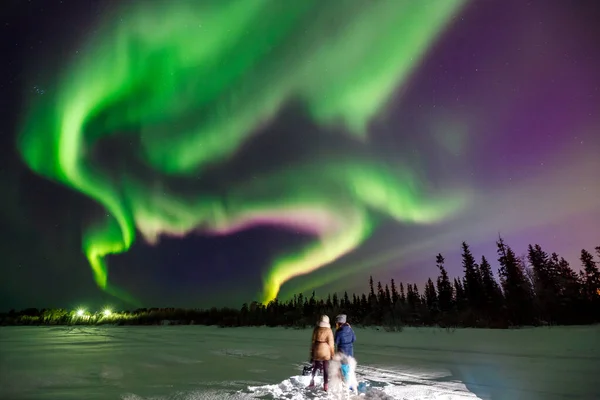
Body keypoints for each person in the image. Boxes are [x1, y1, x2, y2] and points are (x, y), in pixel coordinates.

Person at [308, 315, 335, 391]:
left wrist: (312, 353)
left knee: (315, 366)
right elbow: (331, 344)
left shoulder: (316, 329)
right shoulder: (329, 330)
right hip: (326, 351)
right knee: (326, 368)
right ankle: (325, 385)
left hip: (317, 349)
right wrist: (332, 354)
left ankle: (312, 381)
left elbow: (313, 342)